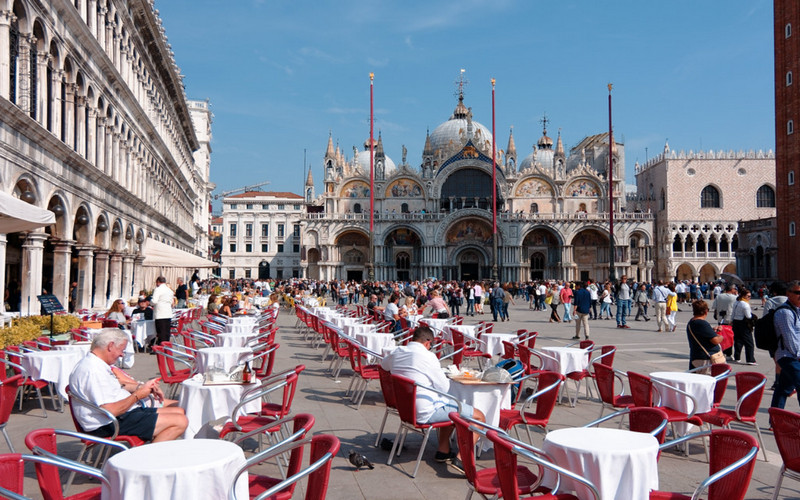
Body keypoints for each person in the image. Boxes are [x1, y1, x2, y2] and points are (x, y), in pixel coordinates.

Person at [380, 326, 485, 468]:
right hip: (424, 412)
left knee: (450, 407)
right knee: (479, 417)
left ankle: (443, 451)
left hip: (405, 409)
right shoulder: (428, 357)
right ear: (428, 343)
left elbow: (384, 366)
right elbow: (444, 388)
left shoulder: (397, 351)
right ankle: (462, 458)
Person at [69, 329, 188, 442]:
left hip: (116, 416)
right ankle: (148, 459)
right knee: (180, 421)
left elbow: (115, 388)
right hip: (107, 423)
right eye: (121, 350)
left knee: (179, 412)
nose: (121, 355)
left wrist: (142, 388)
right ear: (110, 346)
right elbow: (112, 410)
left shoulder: (96, 364)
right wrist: (138, 395)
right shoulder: (93, 370)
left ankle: (155, 449)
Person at [770, 280, 800, 410]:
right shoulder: (785, 313)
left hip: (793, 356)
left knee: (783, 388)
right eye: (798, 292)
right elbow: (790, 340)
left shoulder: (796, 310)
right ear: (788, 293)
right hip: (788, 356)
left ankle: (775, 420)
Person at [686, 300, 723, 374]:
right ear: (706, 311)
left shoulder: (692, 322)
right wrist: (721, 336)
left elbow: (703, 334)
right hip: (705, 359)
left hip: (696, 356)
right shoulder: (702, 323)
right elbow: (715, 340)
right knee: (705, 381)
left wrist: (712, 331)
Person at [731, 289, 756, 365]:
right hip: (743, 323)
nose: (749, 298)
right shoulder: (745, 304)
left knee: (738, 340)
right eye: (748, 296)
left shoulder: (736, 302)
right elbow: (748, 316)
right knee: (749, 342)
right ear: (744, 296)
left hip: (736, 322)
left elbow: (732, 313)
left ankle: (737, 357)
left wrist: (731, 321)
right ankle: (750, 359)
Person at [151, 276, 174, 346]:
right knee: (166, 332)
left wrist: (150, 302)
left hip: (160, 313)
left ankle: (161, 347)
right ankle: (166, 345)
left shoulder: (158, 289)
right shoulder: (169, 290)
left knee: (160, 332)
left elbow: (154, 301)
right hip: (168, 312)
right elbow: (171, 301)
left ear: (158, 282)